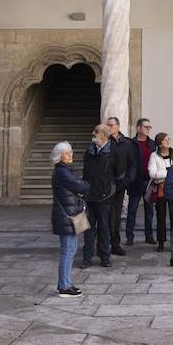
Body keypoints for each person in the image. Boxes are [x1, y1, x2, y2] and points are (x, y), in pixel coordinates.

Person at [49, 141, 88, 298]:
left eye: (70, 152)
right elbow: (79, 186)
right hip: (67, 216)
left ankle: (66, 282)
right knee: (68, 250)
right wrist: (86, 185)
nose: (70, 155)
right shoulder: (62, 172)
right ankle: (64, 285)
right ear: (59, 156)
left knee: (71, 249)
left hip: (71, 214)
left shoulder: (65, 170)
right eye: (66, 153)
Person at [81, 124, 123, 268]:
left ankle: (105, 257)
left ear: (104, 135)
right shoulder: (90, 151)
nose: (93, 133)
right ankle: (87, 258)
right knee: (88, 229)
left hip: (106, 197)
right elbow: (85, 173)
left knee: (104, 228)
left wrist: (112, 191)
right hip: (90, 196)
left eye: (96, 131)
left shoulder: (113, 151)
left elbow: (120, 174)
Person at [104, 117, 133, 255]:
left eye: (111, 125)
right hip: (104, 185)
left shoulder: (126, 143)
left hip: (120, 185)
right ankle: (102, 245)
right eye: (107, 125)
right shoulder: (103, 142)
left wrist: (128, 179)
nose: (109, 127)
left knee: (116, 216)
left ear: (118, 126)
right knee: (104, 215)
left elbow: (133, 163)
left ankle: (115, 244)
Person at [125, 117, 155, 247]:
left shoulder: (152, 144)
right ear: (138, 128)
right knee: (132, 210)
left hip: (149, 182)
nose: (148, 129)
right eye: (145, 127)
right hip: (135, 182)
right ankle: (129, 237)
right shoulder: (131, 143)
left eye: (149, 127)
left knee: (149, 211)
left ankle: (149, 236)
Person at [147, 132, 173, 251]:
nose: (168, 141)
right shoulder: (154, 155)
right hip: (161, 189)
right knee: (161, 217)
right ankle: (161, 242)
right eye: (165, 139)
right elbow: (152, 173)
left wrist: (163, 175)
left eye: (169, 139)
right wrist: (170, 174)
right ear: (159, 143)